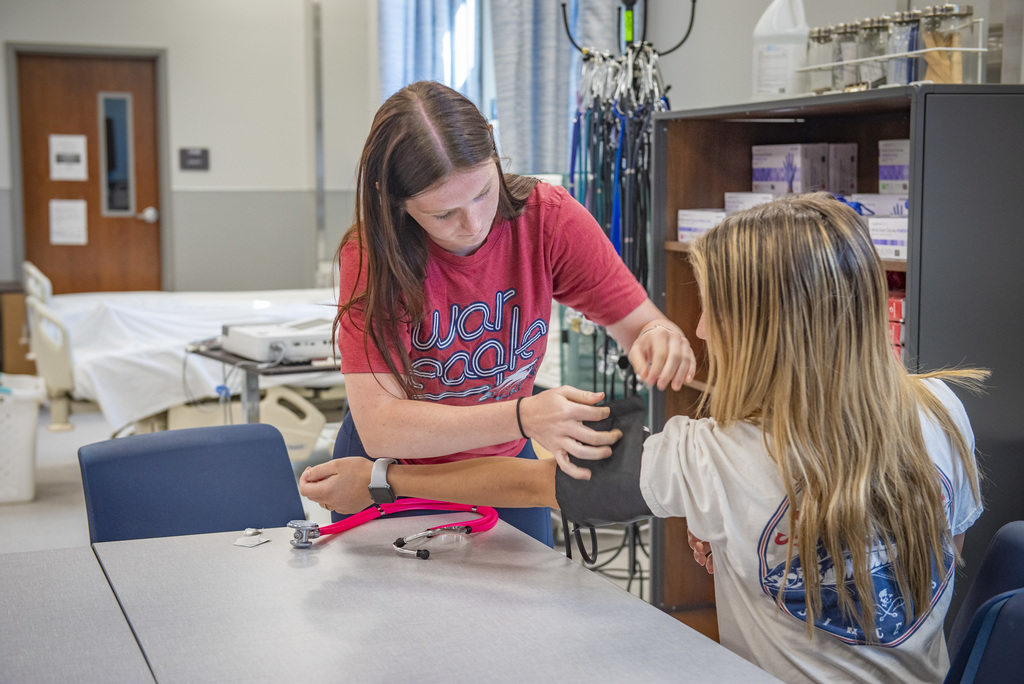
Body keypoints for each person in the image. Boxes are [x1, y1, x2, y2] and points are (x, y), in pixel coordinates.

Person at [303, 193, 986, 683]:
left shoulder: (710, 456)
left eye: (713, 312)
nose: (702, 333)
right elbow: (940, 561)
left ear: (767, 333)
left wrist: (382, 479)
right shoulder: (943, 411)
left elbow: (535, 481)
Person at [299, 80, 696, 545]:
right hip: (387, 468)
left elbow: (639, 323)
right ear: (395, 202)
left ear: (493, 145)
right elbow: (382, 426)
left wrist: (657, 335)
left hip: (503, 462)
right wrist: (525, 416)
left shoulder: (549, 219)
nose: (473, 223)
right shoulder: (373, 255)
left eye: (484, 192)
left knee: (524, 610)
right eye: (443, 214)